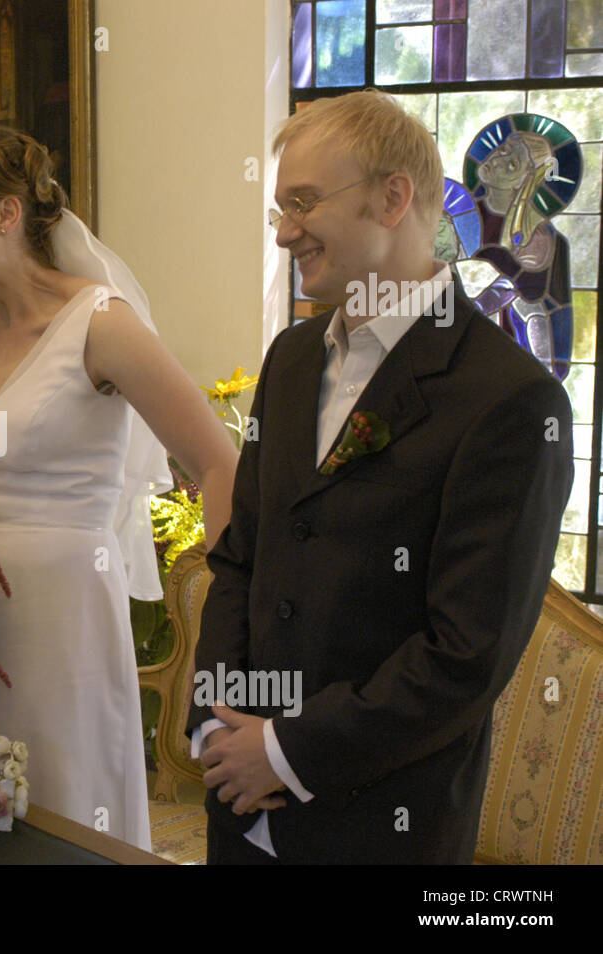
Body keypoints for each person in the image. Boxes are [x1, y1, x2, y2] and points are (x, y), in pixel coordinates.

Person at [187, 90, 573, 864]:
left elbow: (465, 654)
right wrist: (221, 719)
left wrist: (288, 752)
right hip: (243, 807)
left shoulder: (509, 399)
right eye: (279, 209)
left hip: (383, 821)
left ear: (394, 197)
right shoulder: (291, 360)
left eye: (303, 203)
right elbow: (241, 558)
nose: (286, 231)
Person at [0, 127, 239, 850]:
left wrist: (241, 613)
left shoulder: (99, 324)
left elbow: (216, 461)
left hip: (66, 620)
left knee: (67, 805)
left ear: (5, 213)